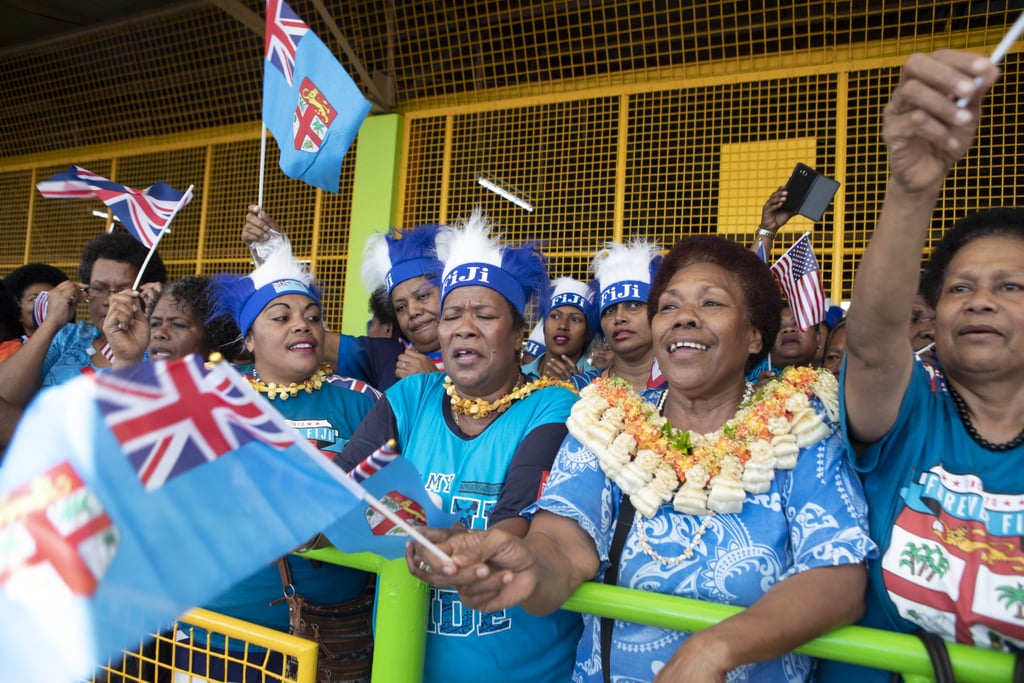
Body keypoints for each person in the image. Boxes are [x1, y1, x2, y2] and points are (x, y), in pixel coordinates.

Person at [413, 234, 876, 682]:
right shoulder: (608, 421)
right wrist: (526, 565)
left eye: (710, 303)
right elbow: (563, 545)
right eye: (669, 306)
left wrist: (716, 647)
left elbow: (836, 577)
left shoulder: (799, 426)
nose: (684, 318)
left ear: (755, 335)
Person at [824, 51, 1015, 681]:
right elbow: (875, 342)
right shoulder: (910, 415)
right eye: (960, 288)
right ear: (931, 315)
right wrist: (910, 189)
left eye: (1010, 287)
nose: (981, 299)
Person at [336, 208, 583, 683]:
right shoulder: (409, 396)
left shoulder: (554, 406)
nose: (463, 327)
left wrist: (392, 517)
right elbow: (343, 488)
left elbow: (512, 527)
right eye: (452, 315)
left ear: (517, 336)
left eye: (484, 315)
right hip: (401, 665)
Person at [179, 240, 380, 682]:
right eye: (281, 317)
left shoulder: (361, 402)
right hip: (221, 633)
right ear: (248, 338)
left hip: (329, 637)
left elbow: (388, 495)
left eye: (312, 317)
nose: (302, 326)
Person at [242, 206, 444, 390]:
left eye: (423, 296)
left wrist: (435, 386)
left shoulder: (474, 345)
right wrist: (272, 251)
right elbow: (304, 336)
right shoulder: (384, 356)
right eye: (400, 307)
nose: (413, 311)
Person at [0, 232, 166, 408]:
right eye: (99, 289)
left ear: (147, 293)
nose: (109, 301)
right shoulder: (67, 337)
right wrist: (51, 323)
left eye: (123, 290)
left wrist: (160, 316)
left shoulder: (161, 348)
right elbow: (4, 397)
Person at [571, 239, 664, 392]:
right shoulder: (577, 389)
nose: (619, 317)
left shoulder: (684, 387)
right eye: (610, 310)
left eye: (634, 305)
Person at [102, 275, 244, 367]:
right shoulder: (139, 385)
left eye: (178, 325)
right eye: (155, 324)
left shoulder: (238, 394)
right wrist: (126, 360)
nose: (159, 334)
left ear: (214, 337)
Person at [521, 277, 596, 380]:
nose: (563, 326)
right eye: (555, 316)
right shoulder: (517, 377)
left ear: (588, 332)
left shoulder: (598, 386)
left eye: (575, 319)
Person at [2, 263, 69, 339]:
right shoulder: (8, 350)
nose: (45, 303)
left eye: (50, 298)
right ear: (17, 313)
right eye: (34, 299)